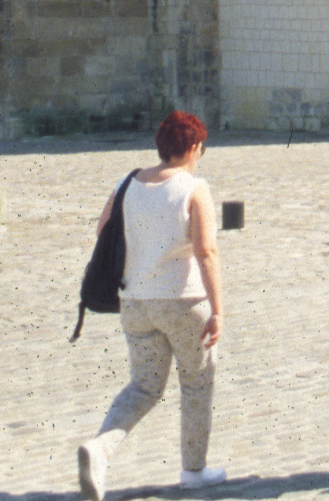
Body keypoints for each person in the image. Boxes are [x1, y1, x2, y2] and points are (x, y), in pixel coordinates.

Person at [77, 111, 225, 500]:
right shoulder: (194, 188)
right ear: (193, 148)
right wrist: (218, 310)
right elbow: (206, 251)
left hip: (135, 302)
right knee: (196, 383)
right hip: (182, 301)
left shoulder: (127, 183)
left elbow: (102, 232)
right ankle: (194, 470)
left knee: (144, 386)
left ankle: (101, 448)